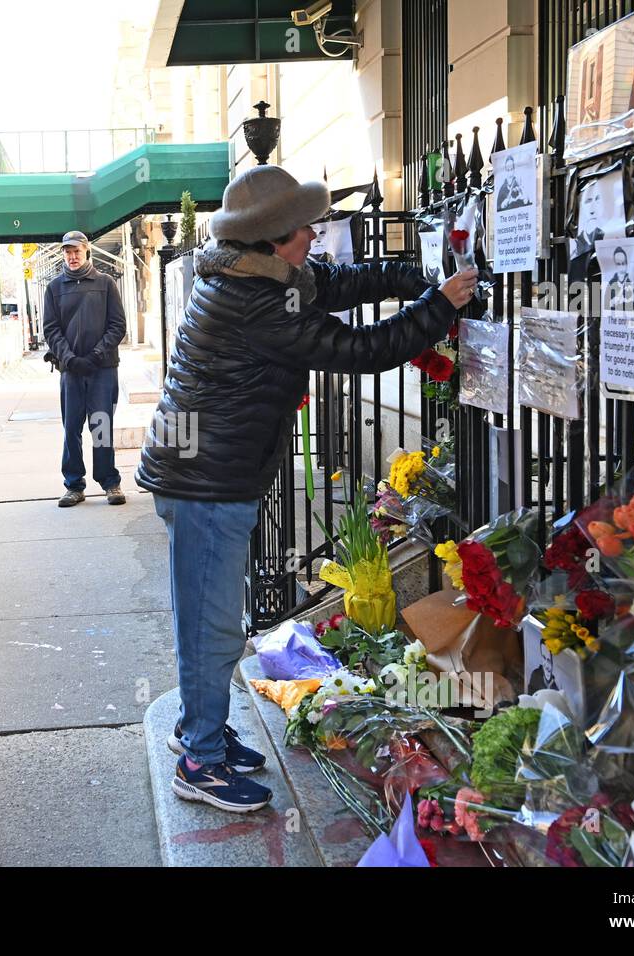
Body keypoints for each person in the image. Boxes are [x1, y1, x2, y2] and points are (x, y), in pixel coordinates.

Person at [136, 165, 475, 813]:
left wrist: (414, 277)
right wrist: (440, 307)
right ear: (273, 238)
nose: (316, 238)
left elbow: (342, 282)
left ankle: (199, 728)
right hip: (205, 483)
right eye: (306, 231)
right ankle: (201, 762)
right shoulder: (253, 303)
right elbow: (358, 348)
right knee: (209, 627)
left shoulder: (259, 274)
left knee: (205, 616)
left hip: (208, 475)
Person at [42, 230, 128, 508]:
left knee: (101, 426)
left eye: (76, 250)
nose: (72, 256)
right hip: (71, 370)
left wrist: (95, 355)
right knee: (71, 429)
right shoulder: (54, 288)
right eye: (67, 251)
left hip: (102, 369)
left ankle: (109, 482)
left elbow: (118, 325)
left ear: (86, 250)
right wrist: (69, 359)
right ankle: (74, 485)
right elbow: (51, 329)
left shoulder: (105, 283)